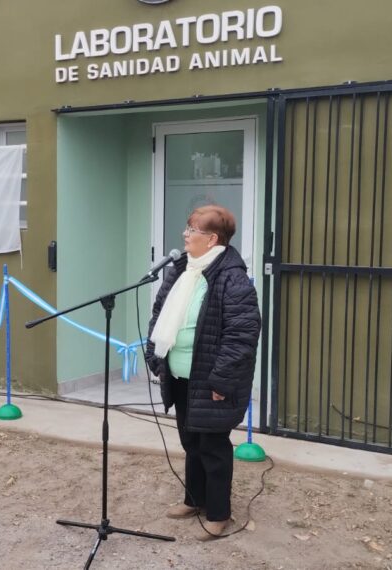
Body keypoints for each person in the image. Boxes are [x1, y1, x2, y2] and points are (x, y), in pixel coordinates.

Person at [145, 205, 261, 541]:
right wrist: (155, 354)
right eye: (187, 227)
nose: (185, 234)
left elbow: (242, 336)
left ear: (211, 239)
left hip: (212, 382)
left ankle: (218, 513)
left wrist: (221, 381)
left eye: (192, 229)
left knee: (213, 447)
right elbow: (160, 313)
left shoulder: (232, 278)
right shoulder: (182, 270)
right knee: (191, 441)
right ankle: (194, 500)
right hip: (181, 377)